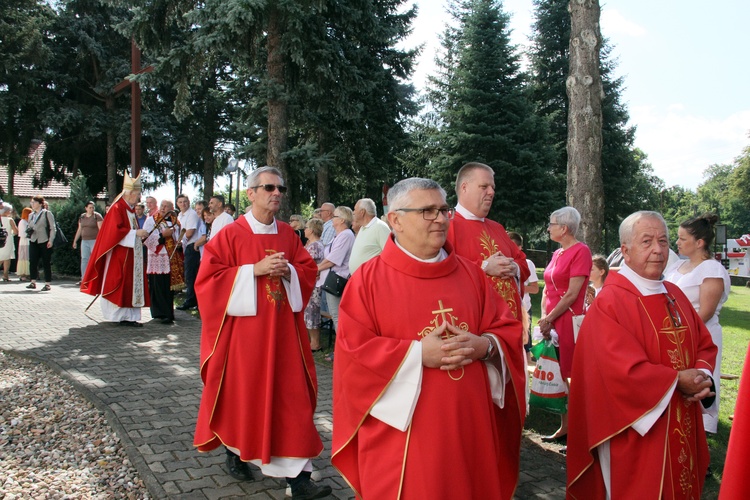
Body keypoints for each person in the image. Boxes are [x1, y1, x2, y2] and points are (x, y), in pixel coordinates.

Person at [332, 178, 527, 499]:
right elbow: (354, 358)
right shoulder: (367, 282)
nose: (439, 218)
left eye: (443, 210)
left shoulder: (472, 274)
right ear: (395, 220)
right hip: (405, 440)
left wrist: (486, 345)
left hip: (471, 427)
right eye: (427, 211)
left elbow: (506, 328)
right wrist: (417, 354)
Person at [193, 166, 331, 499]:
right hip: (246, 338)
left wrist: (291, 273)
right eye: (269, 187)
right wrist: (251, 271)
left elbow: (307, 270)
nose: (277, 193)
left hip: (285, 337)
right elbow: (207, 281)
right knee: (245, 398)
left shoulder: (287, 233)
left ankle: (297, 481)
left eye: (281, 188)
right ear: (251, 193)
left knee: (291, 400)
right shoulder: (229, 234)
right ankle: (235, 449)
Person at [566, 210, 717, 499]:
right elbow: (619, 372)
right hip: (635, 432)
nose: (658, 250)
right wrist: (676, 381)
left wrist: (703, 375)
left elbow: (704, 344)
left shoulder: (674, 294)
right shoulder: (610, 303)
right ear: (625, 251)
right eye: (646, 241)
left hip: (682, 419)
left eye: (663, 241)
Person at [665, 213, 731, 435]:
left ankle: (700, 436)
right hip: (674, 333)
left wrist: (682, 331)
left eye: (683, 239)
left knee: (699, 381)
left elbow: (705, 311)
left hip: (700, 335)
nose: (678, 243)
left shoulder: (712, 270)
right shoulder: (675, 268)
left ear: (699, 242)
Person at [447, 162, 530, 320]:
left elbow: (523, 263)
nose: (491, 192)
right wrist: (484, 266)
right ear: (464, 187)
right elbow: (443, 268)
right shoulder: (447, 226)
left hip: (509, 325)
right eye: (484, 186)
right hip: (473, 324)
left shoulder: (497, 228)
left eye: (493, 187)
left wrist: (514, 267)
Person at [538, 206, 592, 444]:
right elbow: (548, 288)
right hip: (551, 322)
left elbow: (571, 294)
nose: (548, 228)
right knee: (559, 375)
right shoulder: (558, 253)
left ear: (564, 228)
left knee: (570, 376)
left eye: (551, 224)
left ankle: (581, 432)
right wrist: (543, 317)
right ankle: (566, 427)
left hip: (568, 323)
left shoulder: (581, 251)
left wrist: (549, 319)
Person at [81, 173, 150, 326]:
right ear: (130, 193)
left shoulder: (130, 210)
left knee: (131, 284)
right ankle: (119, 316)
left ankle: (131, 317)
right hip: (120, 254)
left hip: (132, 254)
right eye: (137, 195)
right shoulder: (117, 208)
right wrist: (135, 233)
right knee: (121, 282)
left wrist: (139, 235)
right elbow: (115, 232)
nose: (139, 198)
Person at [143, 200, 182, 324]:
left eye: (166, 206)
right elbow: (146, 238)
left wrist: (179, 243)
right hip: (157, 256)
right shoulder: (152, 220)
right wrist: (162, 235)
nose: (163, 208)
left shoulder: (175, 221)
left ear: (171, 208)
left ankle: (168, 313)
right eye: (162, 206)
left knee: (167, 286)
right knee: (157, 285)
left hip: (170, 257)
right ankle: (159, 312)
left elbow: (178, 237)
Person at [317, 206, 355, 332]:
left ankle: (342, 350)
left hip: (338, 279)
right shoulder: (339, 235)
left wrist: (316, 269)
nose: (332, 218)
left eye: (335, 216)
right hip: (332, 278)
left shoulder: (346, 235)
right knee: (336, 316)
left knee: (337, 316)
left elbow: (333, 259)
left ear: (342, 220)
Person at [508, 232, 539, 360]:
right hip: (508, 308)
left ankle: (526, 369)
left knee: (525, 341)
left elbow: (535, 288)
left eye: (513, 246)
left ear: (520, 247)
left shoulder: (527, 263)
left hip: (524, 307)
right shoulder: (500, 262)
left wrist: (516, 287)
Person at [348, 198, 390, 274]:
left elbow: (390, 254)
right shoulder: (363, 227)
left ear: (362, 212)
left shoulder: (380, 227)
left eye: (355, 210)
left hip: (372, 280)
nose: (353, 213)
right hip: (359, 280)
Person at [26, 195, 56, 291]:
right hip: (34, 240)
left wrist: (51, 240)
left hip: (44, 240)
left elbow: (53, 228)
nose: (32, 204)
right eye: (31, 202)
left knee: (46, 262)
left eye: (34, 202)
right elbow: (30, 226)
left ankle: (47, 283)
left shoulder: (47, 214)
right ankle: (33, 281)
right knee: (33, 261)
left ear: (39, 203)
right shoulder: (31, 215)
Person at [176, 194, 201, 310]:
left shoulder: (192, 214)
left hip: (191, 246)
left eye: (185, 201)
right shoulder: (180, 215)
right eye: (180, 202)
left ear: (189, 202)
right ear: (177, 204)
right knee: (187, 274)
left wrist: (179, 241)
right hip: (184, 247)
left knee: (191, 275)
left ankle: (191, 300)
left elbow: (190, 232)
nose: (183, 204)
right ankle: (191, 298)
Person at [303, 218, 325, 351]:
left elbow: (308, 263)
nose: (304, 230)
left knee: (312, 312)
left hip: (314, 284)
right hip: (309, 283)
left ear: (311, 230)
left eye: (306, 227)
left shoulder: (315, 246)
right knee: (308, 311)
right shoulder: (310, 244)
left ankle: (315, 343)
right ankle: (309, 341)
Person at [72, 201, 104, 285]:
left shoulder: (97, 216)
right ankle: (84, 278)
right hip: (84, 240)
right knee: (84, 259)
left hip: (94, 240)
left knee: (95, 259)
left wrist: (101, 241)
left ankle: (96, 278)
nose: (91, 209)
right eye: (90, 207)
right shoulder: (82, 217)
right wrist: (75, 241)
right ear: (86, 208)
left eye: (93, 207)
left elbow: (101, 229)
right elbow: (80, 229)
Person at [0, 203, 19, 281]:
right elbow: (16, 231)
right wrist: (11, 233)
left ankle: (5, 275)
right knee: (7, 258)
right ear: (6, 211)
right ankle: (5, 275)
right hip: (7, 240)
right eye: (10, 210)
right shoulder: (10, 220)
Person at [16, 207, 32, 281]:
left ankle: (27, 273)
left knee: (27, 257)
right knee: (24, 257)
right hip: (24, 241)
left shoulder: (26, 222)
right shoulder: (23, 222)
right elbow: (23, 233)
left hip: (27, 241)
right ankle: (23, 273)